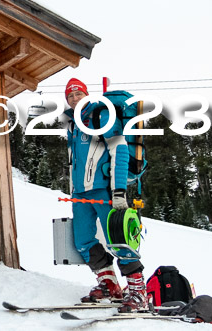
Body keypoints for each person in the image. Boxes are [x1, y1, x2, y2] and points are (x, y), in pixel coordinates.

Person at [64, 78, 147, 312]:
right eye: (70, 96)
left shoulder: (101, 115)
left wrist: (119, 191)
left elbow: (119, 149)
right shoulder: (74, 124)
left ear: (87, 95)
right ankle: (109, 284)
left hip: (105, 190)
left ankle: (139, 291)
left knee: (119, 240)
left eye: (78, 94)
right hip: (81, 194)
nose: (74, 98)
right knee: (82, 241)